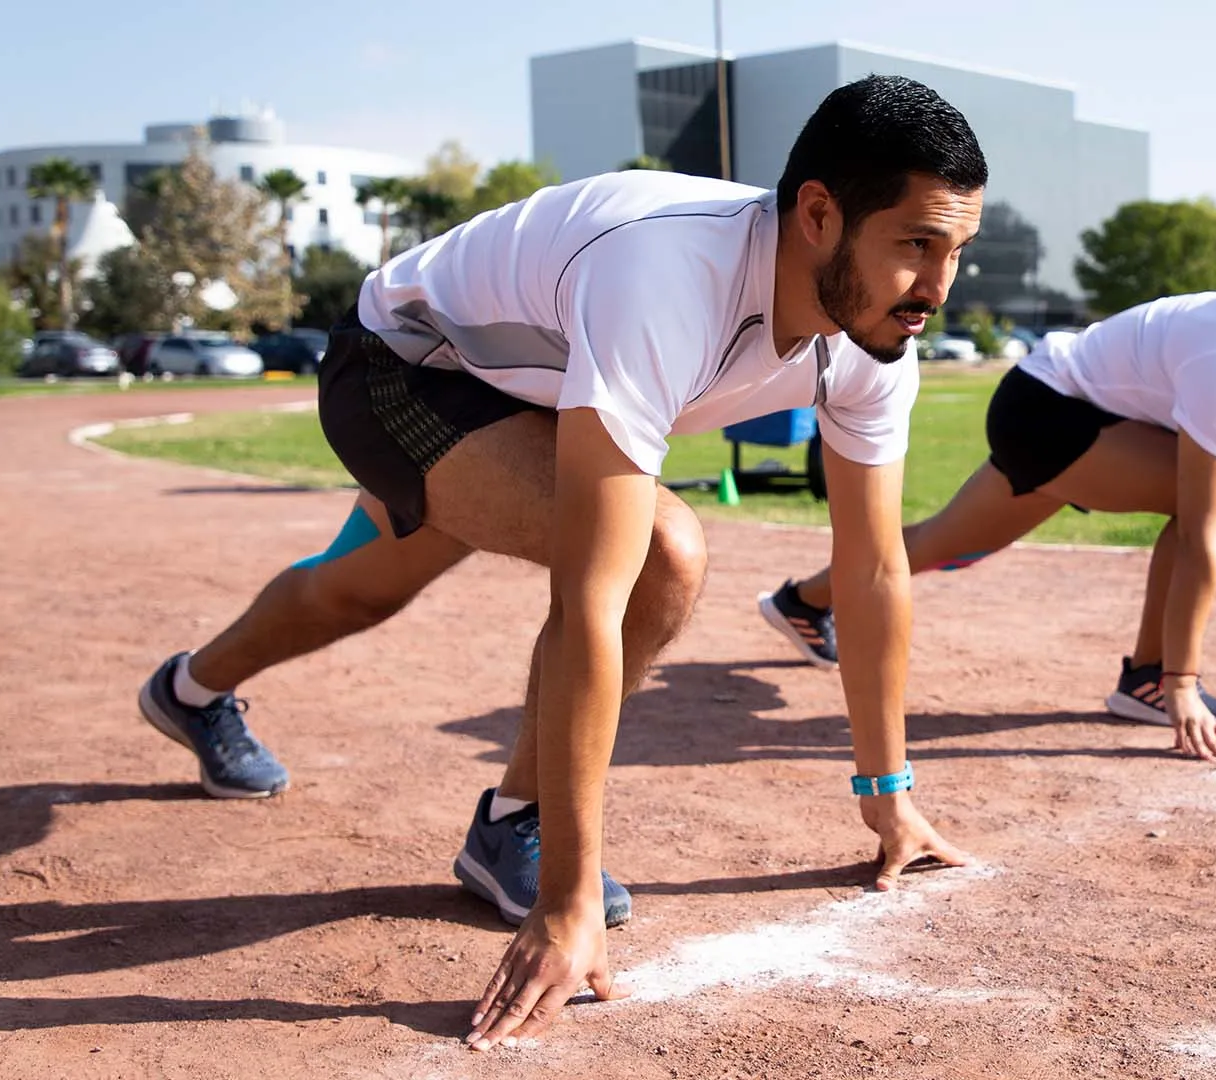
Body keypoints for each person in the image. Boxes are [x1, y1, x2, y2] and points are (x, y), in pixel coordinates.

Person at [136, 74, 987, 1051]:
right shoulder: (668, 275)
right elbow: (593, 595)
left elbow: (874, 573)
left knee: (359, 587)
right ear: (820, 215)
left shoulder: (875, 342)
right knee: (662, 555)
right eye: (916, 245)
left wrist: (889, 798)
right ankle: (516, 827)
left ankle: (192, 689)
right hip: (404, 366)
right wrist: (566, 898)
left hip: (534, 386)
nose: (937, 288)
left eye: (957, 250)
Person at [759, 212, 1216, 762]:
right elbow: (1203, 527)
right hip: (1046, 409)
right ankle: (1150, 679)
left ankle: (802, 603)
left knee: (938, 543)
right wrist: (1183, 681)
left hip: (1099, 423)